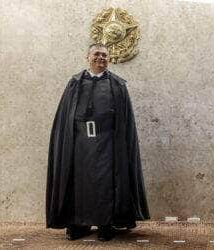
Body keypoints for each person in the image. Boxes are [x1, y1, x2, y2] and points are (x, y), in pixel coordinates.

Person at [45, 43, 150, 241]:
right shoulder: (74, 83)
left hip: (107, 145)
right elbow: (64, 118)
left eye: (104, 55)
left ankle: (105, 225)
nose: (101, 58)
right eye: (97, 54)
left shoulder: (117, 85)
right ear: (87, 56)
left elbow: (125, 121)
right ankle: (77, 225)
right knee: (77, 183)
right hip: (78, 145)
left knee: (105, 184)